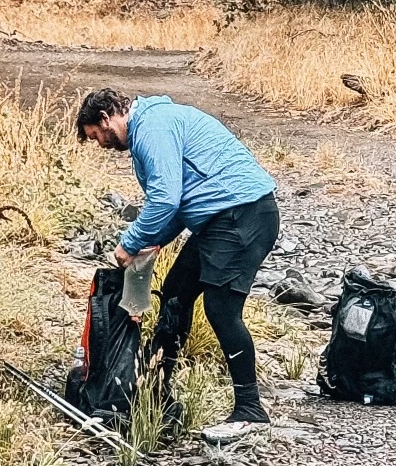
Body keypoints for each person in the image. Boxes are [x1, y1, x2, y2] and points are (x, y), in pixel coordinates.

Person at [75, 88, 280, 431]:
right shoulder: (150, 127)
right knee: (175, 293)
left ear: (106, 118)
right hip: (219, 219)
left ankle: (250, 411)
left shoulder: (152, 127)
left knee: (221, 309)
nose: (101, 144)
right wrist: (150, 243)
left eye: (96, 136)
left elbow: (165, 200)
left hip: (242, 216)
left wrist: (130, 243)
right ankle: (155, 392)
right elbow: (179, 207)